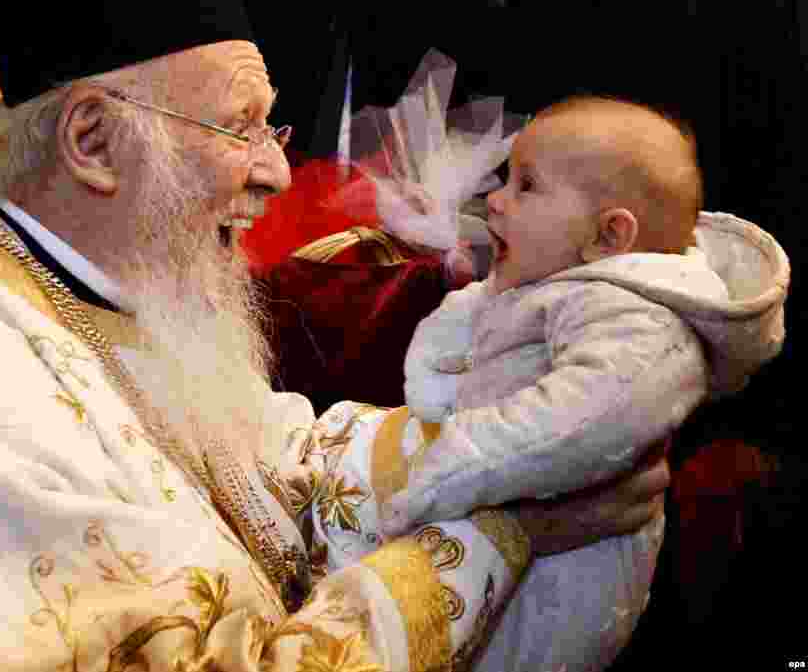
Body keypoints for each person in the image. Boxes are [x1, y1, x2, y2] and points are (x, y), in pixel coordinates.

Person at [0, 0, 673, 671]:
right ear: (91, 141)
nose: (279, 169)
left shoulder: (99, 280)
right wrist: (506, 529)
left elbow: (280, 466)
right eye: (239, 125)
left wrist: (523, 437)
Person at [312, 96, 789, 671]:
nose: (495, 198)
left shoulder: (640, 321)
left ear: (609, 235)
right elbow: (474, 321)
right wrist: (438, 385)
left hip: (563, 582)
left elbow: (579, 423)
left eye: (526, 186)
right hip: (501, 524)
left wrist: (447, 465)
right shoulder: (564, 281)